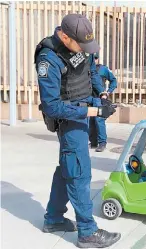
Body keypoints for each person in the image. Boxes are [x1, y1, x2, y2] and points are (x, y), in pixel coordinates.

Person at [34, 14, 120, 248]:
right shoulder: (48, 59)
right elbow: (52, 105)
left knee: (67, 168)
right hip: (69, 119)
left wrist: (100, 96)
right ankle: (87, 232)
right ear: (64, 36)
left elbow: (90, 72)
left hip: (84, 111)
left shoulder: (82, 45)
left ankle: (53, 219)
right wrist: (94, 112)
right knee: (79, 172)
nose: (86, 50)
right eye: (81, 45)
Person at [89, 52, 117, 152]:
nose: (95, 60)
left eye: (96, 58)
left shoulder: (103, 69)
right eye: (93, 58)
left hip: (99, 98)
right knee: (90, 120)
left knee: (99, 120)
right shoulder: (86, 69)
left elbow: (114, 81)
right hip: (89, 98)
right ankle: (93, 142)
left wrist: (108, 92)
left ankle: (102, 143)